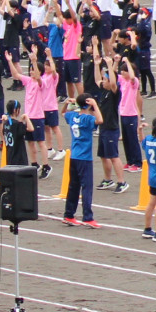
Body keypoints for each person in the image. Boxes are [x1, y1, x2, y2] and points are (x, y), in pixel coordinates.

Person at [61, 93, 99, 228]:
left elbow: (63, 113)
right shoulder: (88, 118)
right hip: (85, 157)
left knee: (73, 187)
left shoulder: (72, 116)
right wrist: (95, 105)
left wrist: (67, 103)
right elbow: (99, 120)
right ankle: (88, 217)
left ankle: (69, 214)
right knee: (87, 187)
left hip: (74, 156)